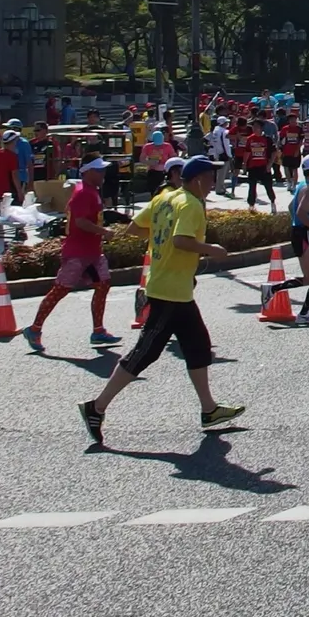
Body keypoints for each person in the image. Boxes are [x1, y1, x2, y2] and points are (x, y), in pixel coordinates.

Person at [79, 158, 245, 445]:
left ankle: (209, 409)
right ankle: (97, 407)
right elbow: (181, 241)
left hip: (173, 287)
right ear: (196, 180)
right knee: (145, 352)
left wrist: (161, 237)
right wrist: (211, 249)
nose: (212, 183)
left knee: (198, 346)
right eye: (210, 177)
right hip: (169, 290)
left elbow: (134, 228)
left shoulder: (165, 198)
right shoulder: (191, 204)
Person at [23, 157, 121, 352]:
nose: (102, 174)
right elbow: (81, 222)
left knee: (103, 284)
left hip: (92, 253)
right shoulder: (84, 193)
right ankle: (34, 329)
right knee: (61, 289)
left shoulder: (91, 192)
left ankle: (98, 331)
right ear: (87, 172)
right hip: (77, 253)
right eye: (98, 170)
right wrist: (105, 232)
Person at [261, 154, 309, 325]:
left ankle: (273, 289)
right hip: (306, 234)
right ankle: (303, 312)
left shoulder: (303, 185)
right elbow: (300, 213)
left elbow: (290, 208)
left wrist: (297, 226)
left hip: (301, 233)